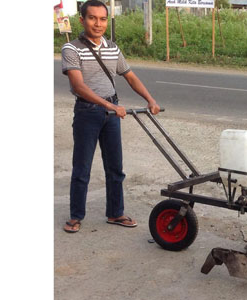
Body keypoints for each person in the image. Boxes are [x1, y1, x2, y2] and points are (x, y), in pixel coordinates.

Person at [61, 0, 160, 233]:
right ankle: (76, 216)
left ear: (107, 20)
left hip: (111, 113)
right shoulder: (71, 49)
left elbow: (130, 76)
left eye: (102, 19)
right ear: (82, 20)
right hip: (87, 112)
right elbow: (78, 86)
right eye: (92, 18)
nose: (98, 23)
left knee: (115, 167)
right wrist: (109, 105)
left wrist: (150, 99)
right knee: (82, 167)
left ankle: (115, 213)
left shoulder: (113, 48)